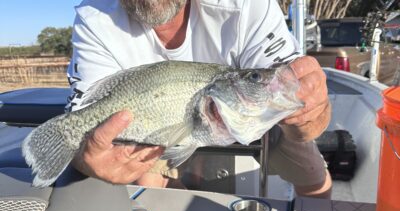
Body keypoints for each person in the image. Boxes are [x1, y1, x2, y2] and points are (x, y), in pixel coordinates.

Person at [66, 0, 332, 198]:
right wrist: (85, 157)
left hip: (251, 116)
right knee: (145, 183)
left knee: (315, 178)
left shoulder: (248, 4)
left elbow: (307, 120)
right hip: (158, 131)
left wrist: (311, 110)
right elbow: (82, 118)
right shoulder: (95, 18)